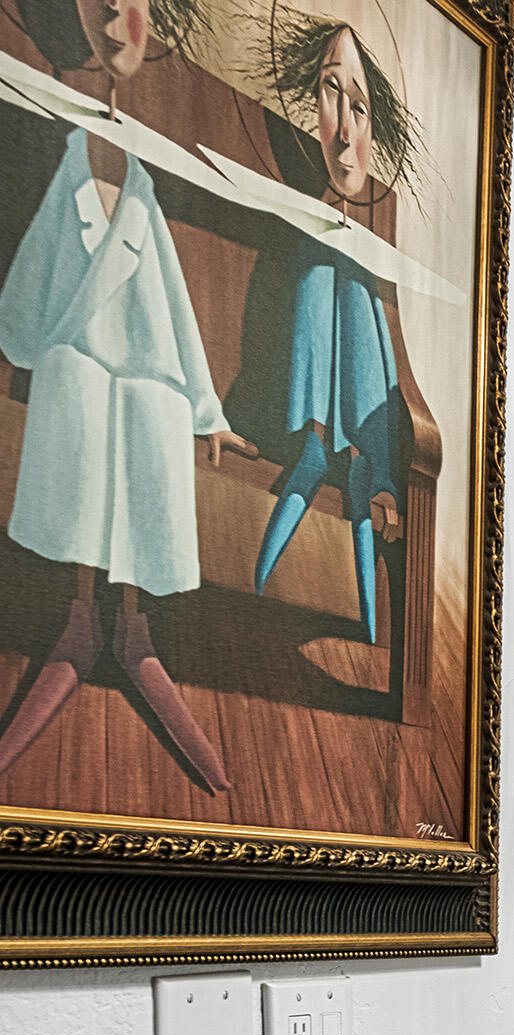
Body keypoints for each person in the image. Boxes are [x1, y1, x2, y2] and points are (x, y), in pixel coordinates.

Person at [0, 0, 253, 791]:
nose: (117, 11)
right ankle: (82, 621)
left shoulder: (141, 181)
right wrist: (20, 348)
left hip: (147, 379)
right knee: (77, 381)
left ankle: (134, 629)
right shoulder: (62, 154)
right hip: (75, 366)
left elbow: (173, 308)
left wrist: (207, 410)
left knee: (153, 405)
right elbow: (32, 285)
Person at [242, 8, 417, 649]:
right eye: (329, 91)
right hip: (291, 411)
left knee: (350, 273)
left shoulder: (366, 241)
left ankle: (364, 462)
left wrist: (380, 456)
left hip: (364, 429)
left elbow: (385, 354)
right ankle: (323, 446)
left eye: (361, 107)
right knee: (324, 261)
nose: (346, 131)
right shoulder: (309, 221)